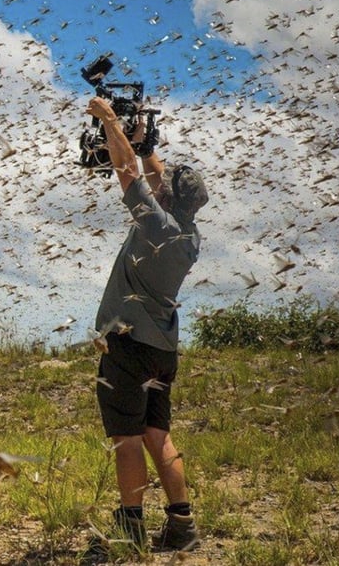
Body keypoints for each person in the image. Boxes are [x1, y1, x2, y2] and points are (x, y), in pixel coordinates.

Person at [85, 96, 208, 553]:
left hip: (128, 348)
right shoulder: (189, 234)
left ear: (167, 198)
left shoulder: (154, 224)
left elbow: (128, 175)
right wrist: (142, 142)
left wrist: (112, 123)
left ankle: (130, 528)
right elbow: (154, 178)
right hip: (162, 351)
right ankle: (182, 527)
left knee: (127, 441)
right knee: (159, 436)